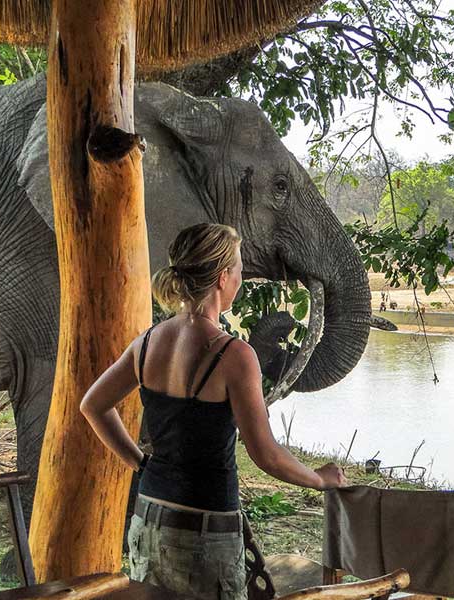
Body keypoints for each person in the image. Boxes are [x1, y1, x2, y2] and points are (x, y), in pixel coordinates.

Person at [80, 223, 347, 600]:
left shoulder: (148, 342)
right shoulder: (233, 356)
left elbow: (93, 405)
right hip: (205, 531)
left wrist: (141, 463)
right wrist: (320, 480)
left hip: (149, 519)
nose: (241, 278)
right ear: (223, 277)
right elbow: (266, 454)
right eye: (238, 269)